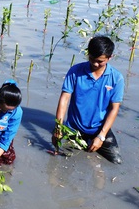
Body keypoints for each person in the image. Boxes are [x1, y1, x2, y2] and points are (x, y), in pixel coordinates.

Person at [52, 36, 124, 164]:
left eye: (100, 61)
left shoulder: (116, 78)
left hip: (99, 128)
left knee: (116, 161)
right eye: (91, 59)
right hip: (74, 128)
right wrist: (58, 127)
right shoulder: (75, 71)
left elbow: (114, 108)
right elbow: (64, 99)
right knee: (62, 160)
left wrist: (101, 136)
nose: (95, 64)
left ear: (109, 58)